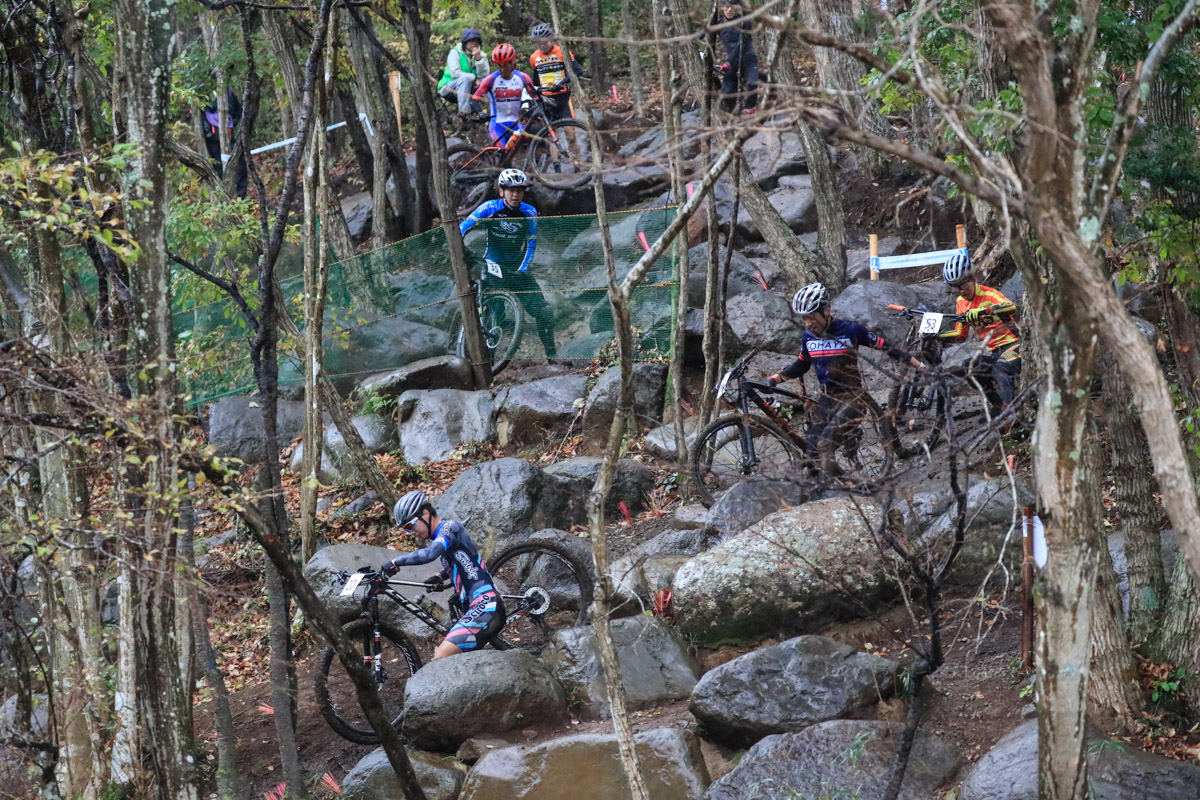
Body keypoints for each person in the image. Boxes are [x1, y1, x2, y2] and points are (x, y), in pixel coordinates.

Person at [765, 282, 925, 475]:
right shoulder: (808, 337)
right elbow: (802, 365)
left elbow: (887, 347)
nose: (807, 323)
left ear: (826, 310)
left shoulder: (851, 331)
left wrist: (919, 365)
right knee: (809, 454)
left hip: (853, 397)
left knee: (825, 445)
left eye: (811, 317)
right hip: (827, 399)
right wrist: (776, 379)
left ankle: (854, 488)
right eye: (804, 318)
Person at [382, 490, 503, 659]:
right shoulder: (441, 536)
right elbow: (461, 564)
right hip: (476, 608)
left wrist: (396, 561)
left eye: (410, 526)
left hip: (485, 605)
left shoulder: (449, 527)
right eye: (406, 529)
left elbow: (430, 554)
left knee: (441, 656)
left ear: (425, 513)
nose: (411, 532)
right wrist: (440, 576)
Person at [459, 168, 557, 358]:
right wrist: (464, 252)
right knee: (495, 314)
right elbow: (462, 228)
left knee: (544, 311)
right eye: (511, 190)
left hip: (517, 269)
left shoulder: (529, 212)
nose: (515, 194)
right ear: (501, 191)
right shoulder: (489, 208)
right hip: (493, 266)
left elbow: (531, 243)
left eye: (519, 190)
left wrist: (522, 269)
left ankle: (552, 355)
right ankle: (489, 361)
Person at [938, 252, 1022, 411]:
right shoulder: (961, 303)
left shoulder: (988, 294)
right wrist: (939, 336)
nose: (960, 291)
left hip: (1014, 346)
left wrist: (984, 311)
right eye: (954, 287)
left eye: (963, 284)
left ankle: (1011, 414)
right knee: (970, 368)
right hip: (994, 352)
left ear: (973, 277)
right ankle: (1000, 407)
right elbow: (961, 335)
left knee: (1000, 368)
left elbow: (1011, 306)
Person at [472, 43, 538, 149]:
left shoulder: (522, 77)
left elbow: (536, 97)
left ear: (513, 62)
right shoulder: (490, 80)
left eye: (506, 64)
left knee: (541, 136)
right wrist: (480, 113)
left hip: (516, 125)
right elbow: (474, 100)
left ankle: (535, 163)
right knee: (502, 154)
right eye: (499, 65)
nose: (503, 69)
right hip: (497, 126)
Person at [528, 22, 585, 122]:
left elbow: (577, 71)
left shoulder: (562, 52)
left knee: (570, 130)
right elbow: (536, 81)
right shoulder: (534, 58)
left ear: (551, 39)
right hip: (546, 99)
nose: (542, 46)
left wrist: (562, 82)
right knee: (550, 132)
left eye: (545, 42)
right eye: (539, 43)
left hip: (563, 97)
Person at [717, 0, 759, 115]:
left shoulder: (743, 22)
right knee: (727, 90)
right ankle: (733, 112)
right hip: (733, 62)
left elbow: (742, 43)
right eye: (726, 7)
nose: (729, 10)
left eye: (732, 7)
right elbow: (703, 34)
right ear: (722, 9)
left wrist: (728, 61)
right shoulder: (719, 23)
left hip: (748, 58)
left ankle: (751, 106)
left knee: (752, 82)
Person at [438, 28, 490, 115]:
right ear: (465, 42)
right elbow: (455, 73)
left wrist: (479, 60)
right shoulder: (455, 53)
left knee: (488, 83)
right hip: (448, 87)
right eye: (471, 41)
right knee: (466, 79)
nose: (474, 43)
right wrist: (474, 78)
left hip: (470, 88)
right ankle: (464, 113)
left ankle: (486, 113)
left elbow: (484, 75)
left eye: (476, 41)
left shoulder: (482, 55)